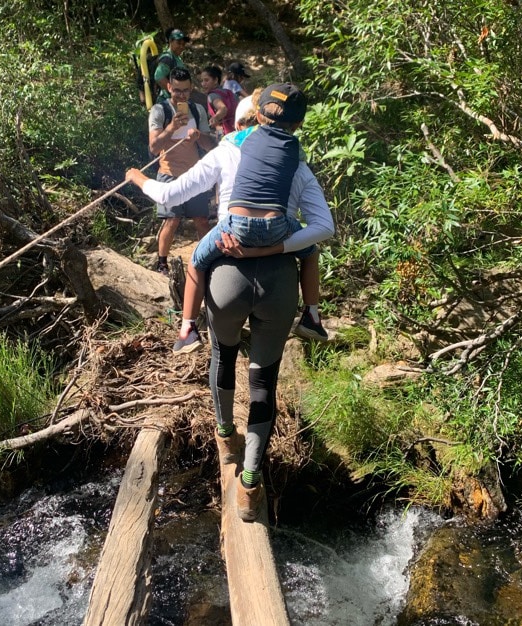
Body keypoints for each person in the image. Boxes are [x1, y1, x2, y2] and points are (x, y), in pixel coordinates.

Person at [127, 89, 334, 521]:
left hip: (226, 269)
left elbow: (171, 196)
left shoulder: (226, 150)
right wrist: (277, 245)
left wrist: (138, 178)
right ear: (295, 126)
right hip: (279, 280)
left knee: (222, 354)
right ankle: (251, 485)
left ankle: (225, 437)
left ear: (252, 120)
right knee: (264, 381)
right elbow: (321, 227)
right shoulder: (296, 162)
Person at [148, 67, 217, 276]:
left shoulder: (198, 110)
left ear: (191, 89)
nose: (181, 95)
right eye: (177, 90)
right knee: (172, 219)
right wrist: (171, 128)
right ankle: (162, 263)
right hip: (169, 173)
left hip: (194, 174)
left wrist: (198, 136)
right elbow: (153, 148)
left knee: (201, 219)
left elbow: (210, 146)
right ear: (169, 87)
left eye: (185, 90)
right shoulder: (160, 111)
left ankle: (210, 260)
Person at [154, 28, 190, 103]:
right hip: (167, 101)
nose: (181, 46)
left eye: (183, 44)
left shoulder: (176, 58)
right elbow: (159, 76)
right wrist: (175, 93)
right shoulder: (167, 58)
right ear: (170, 41)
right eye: (178, 43)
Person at [200, 65, 237, 136]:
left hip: (224, 133)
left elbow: (223, 108)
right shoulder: (229, 92)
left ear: (216, 80)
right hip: (236, 130)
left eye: (206, 80)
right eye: (202, 81)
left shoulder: (212, 96)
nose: (203, 84)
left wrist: (215, 118)